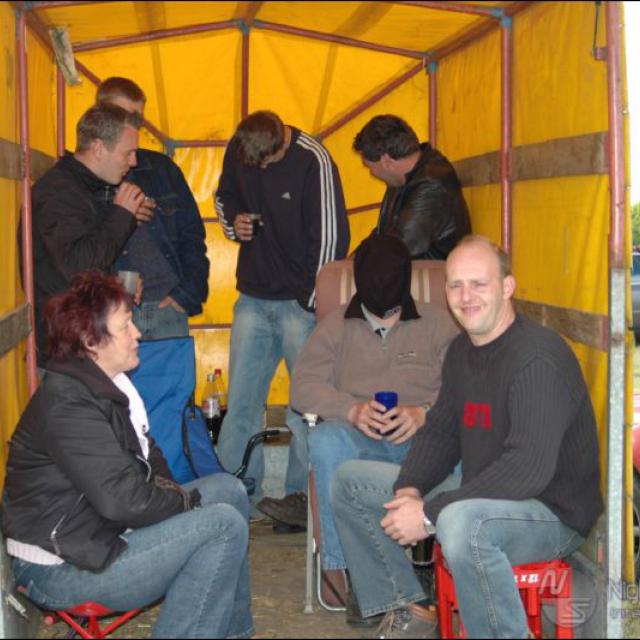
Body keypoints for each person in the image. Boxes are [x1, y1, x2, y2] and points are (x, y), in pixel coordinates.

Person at [331, 235, 604, 638]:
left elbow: (526, 469)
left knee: (461, 523)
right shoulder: (461, 351)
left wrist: (428, 514)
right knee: (350, 481)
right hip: (484, 492)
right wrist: (410, 488)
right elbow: (441, 433)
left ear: (507, 287)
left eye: (479, 284)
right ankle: (411, 610)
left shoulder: (538, 357)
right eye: (456, 285)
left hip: (549, 511)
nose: (466, 296)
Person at [2, 270, 253, 639]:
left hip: (98, 536)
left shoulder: (111, 386)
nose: (137, 334)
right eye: (125, 327)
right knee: (221, 526)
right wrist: (185, 504)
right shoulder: (68, 405)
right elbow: (122, 501)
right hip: (62, 567)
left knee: (228, 491)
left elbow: (151, 464)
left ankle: (234, 632)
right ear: (91, 340)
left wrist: (181, 502)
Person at [280, 234, 458, 623]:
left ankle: (445, 566)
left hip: (425, 445)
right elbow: (302, 388)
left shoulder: (439, 324)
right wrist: (351, 410)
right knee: (325, 440)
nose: (380, 285)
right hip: (362, 445)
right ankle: (353, 578)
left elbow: (468, 388)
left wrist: (425, 412)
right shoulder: (334, 327)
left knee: (469, 443)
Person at [215, 110, 350, 521]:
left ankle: (302, 498)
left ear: (282, 143)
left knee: (304, 407)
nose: (261, 171)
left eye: (268, 163)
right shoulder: (240, 148)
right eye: (253, 165)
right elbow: (224, 197)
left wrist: (309, 301)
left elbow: (332, 239)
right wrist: (234, 224)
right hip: (252, 299)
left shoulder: (314, 160)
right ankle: (236, 492)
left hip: (298, 305)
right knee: (241, 402)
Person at [28, 103, 150, 365]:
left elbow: (77, 262)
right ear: (98, 148)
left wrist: (117, 282)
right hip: (66, 347)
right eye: (128, 153)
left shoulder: (81, 188)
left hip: (78, 340)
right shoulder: (59, 192)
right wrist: (122, 215)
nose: (134, 162)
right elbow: (77, 265)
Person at [96, 77, 210, 340]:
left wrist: (187, 293)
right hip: (111, 310)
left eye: (138, 118)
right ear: (99, 116)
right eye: (124, 115)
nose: (132, 124)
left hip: (167, 308)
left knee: (173, 371)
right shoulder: (84, 176)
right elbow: (76, 251)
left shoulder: (162, 169)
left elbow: (192, 235)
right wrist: (121, 217)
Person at [353, 114, 470, 259]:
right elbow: (382, 235)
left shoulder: (431, 185)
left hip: (435, 271)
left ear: (386, 161)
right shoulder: (402, 180)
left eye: (369, 167)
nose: (372, 173)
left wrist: (351, 264)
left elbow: (400, 247)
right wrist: (350, 260)